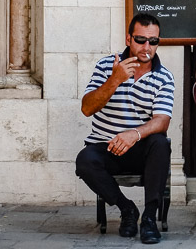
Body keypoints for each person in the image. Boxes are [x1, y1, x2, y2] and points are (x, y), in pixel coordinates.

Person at [76, 13, 174, 244]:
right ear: (129, 39)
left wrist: (135, 134)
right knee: (84, 160)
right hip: (106, 147)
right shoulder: (106, 66)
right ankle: (127, 209)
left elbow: (162, 120)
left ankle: (149, 217)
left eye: (154, 41)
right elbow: (87, 108)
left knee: (160, 143)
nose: (147, 46)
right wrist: (115, 80)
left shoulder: (164, 77)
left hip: (139, 149)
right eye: (141, 40)